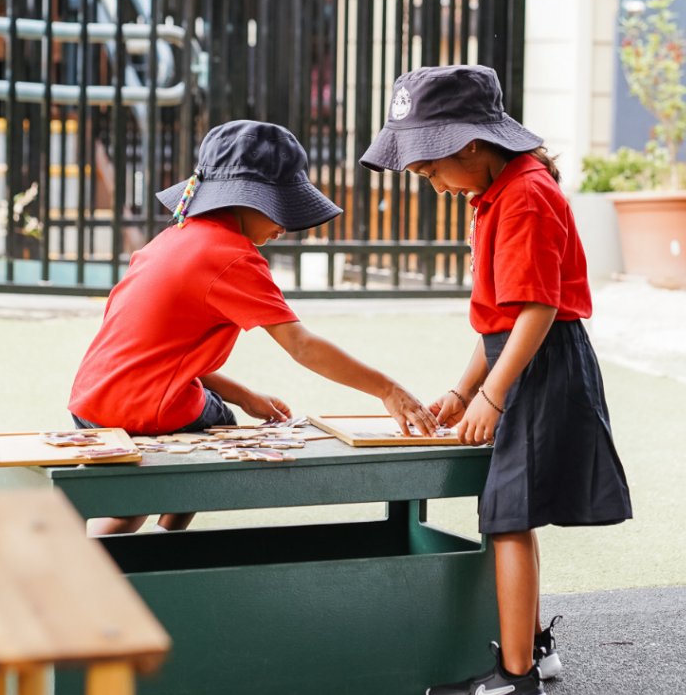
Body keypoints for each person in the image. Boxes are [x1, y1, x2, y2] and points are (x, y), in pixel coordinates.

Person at [360, 65, 632, 695]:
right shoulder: (498, 191)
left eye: (432, 170)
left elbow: (537, 309)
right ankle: (531, 649)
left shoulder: (525, 195)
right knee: (514, 510)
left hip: (538, 365)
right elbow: (500, 319)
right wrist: (464, 390)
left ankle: (517, 683)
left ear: (473, 145)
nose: (434, 185)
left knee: (506, 517)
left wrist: (494, 394)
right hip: (521, 359)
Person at [70, 119, 438, 537]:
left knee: (130, 507)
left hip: (90, 402)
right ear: (245, 200)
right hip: (142, 410)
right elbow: (301, 345)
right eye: (280, 208)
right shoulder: (231, 255)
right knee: (220, 423)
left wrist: (247, 395)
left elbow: (157, 356)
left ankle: (102, 554)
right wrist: (388, 390)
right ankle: (168, 540)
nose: (285, 227)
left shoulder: (171, 239)